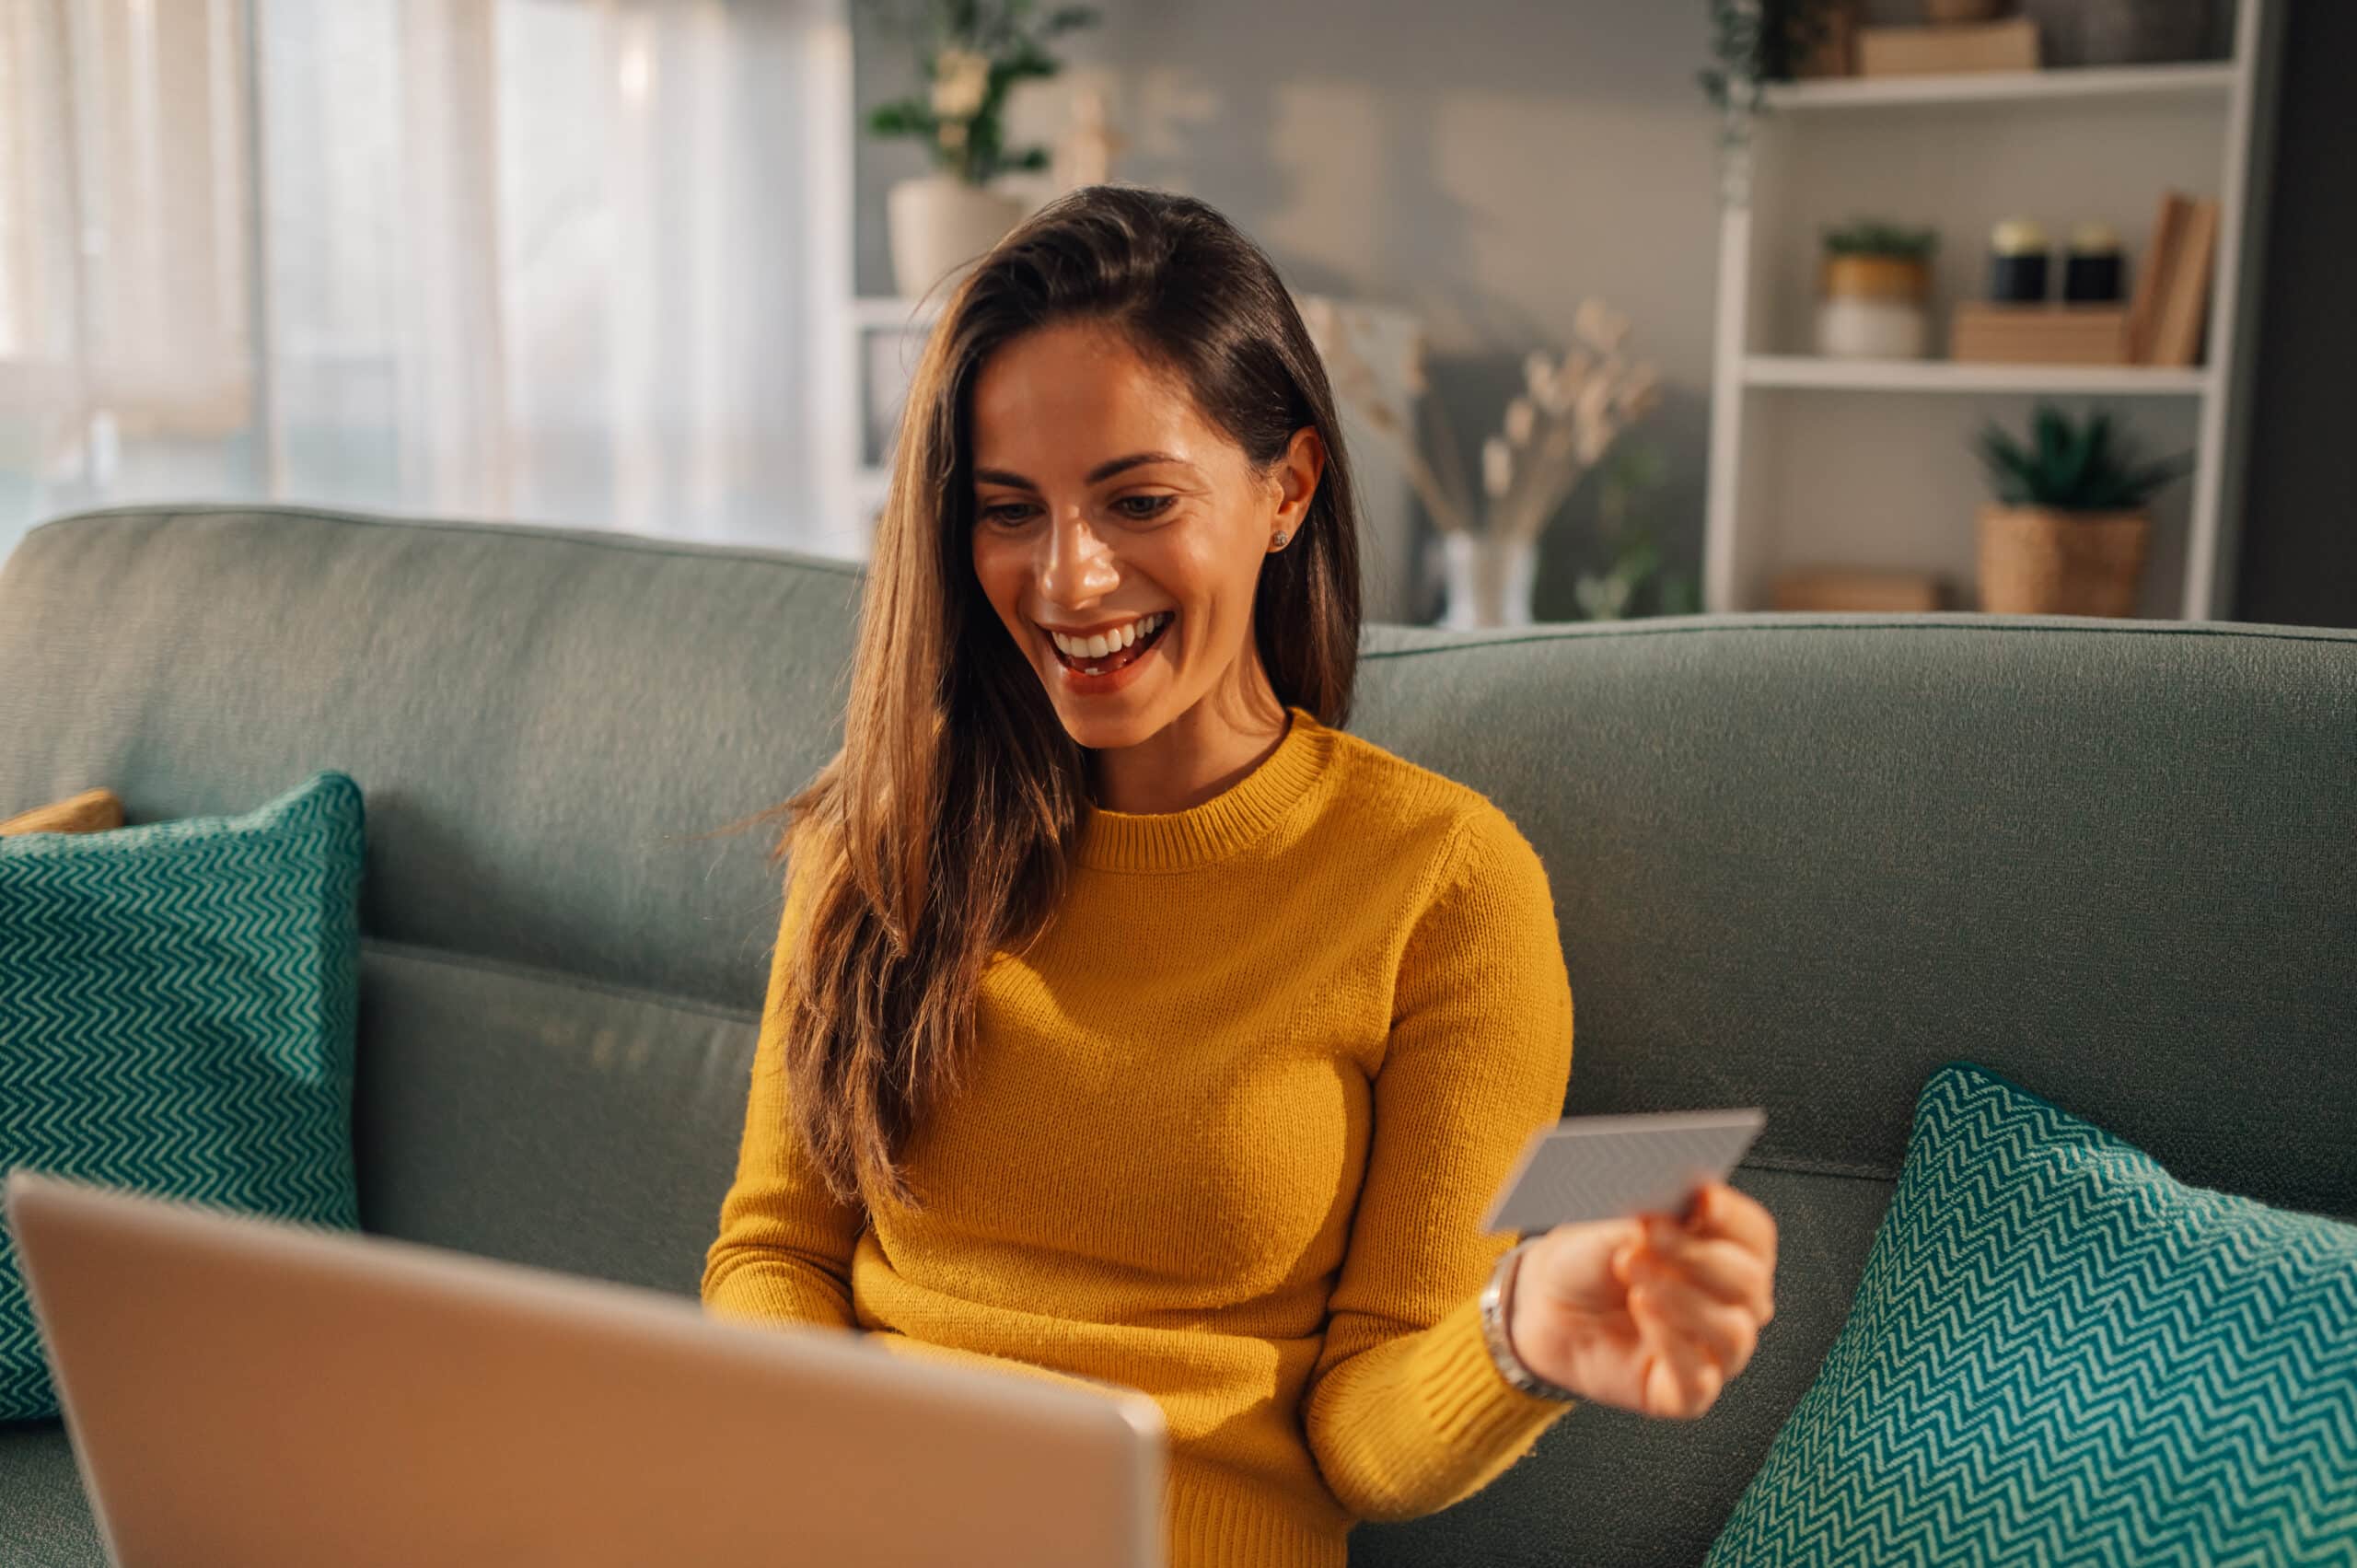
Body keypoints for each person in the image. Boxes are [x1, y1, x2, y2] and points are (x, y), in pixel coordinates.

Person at [701, 183, 1777, 1568]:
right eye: (1009, 512)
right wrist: (837, 1466)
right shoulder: (882, 840)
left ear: (1288, 488)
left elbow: (1364, 1436)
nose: (1069, 579)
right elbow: (773, 1255)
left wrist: (1519, 1339)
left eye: (1138, 500)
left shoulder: (1442, 885)